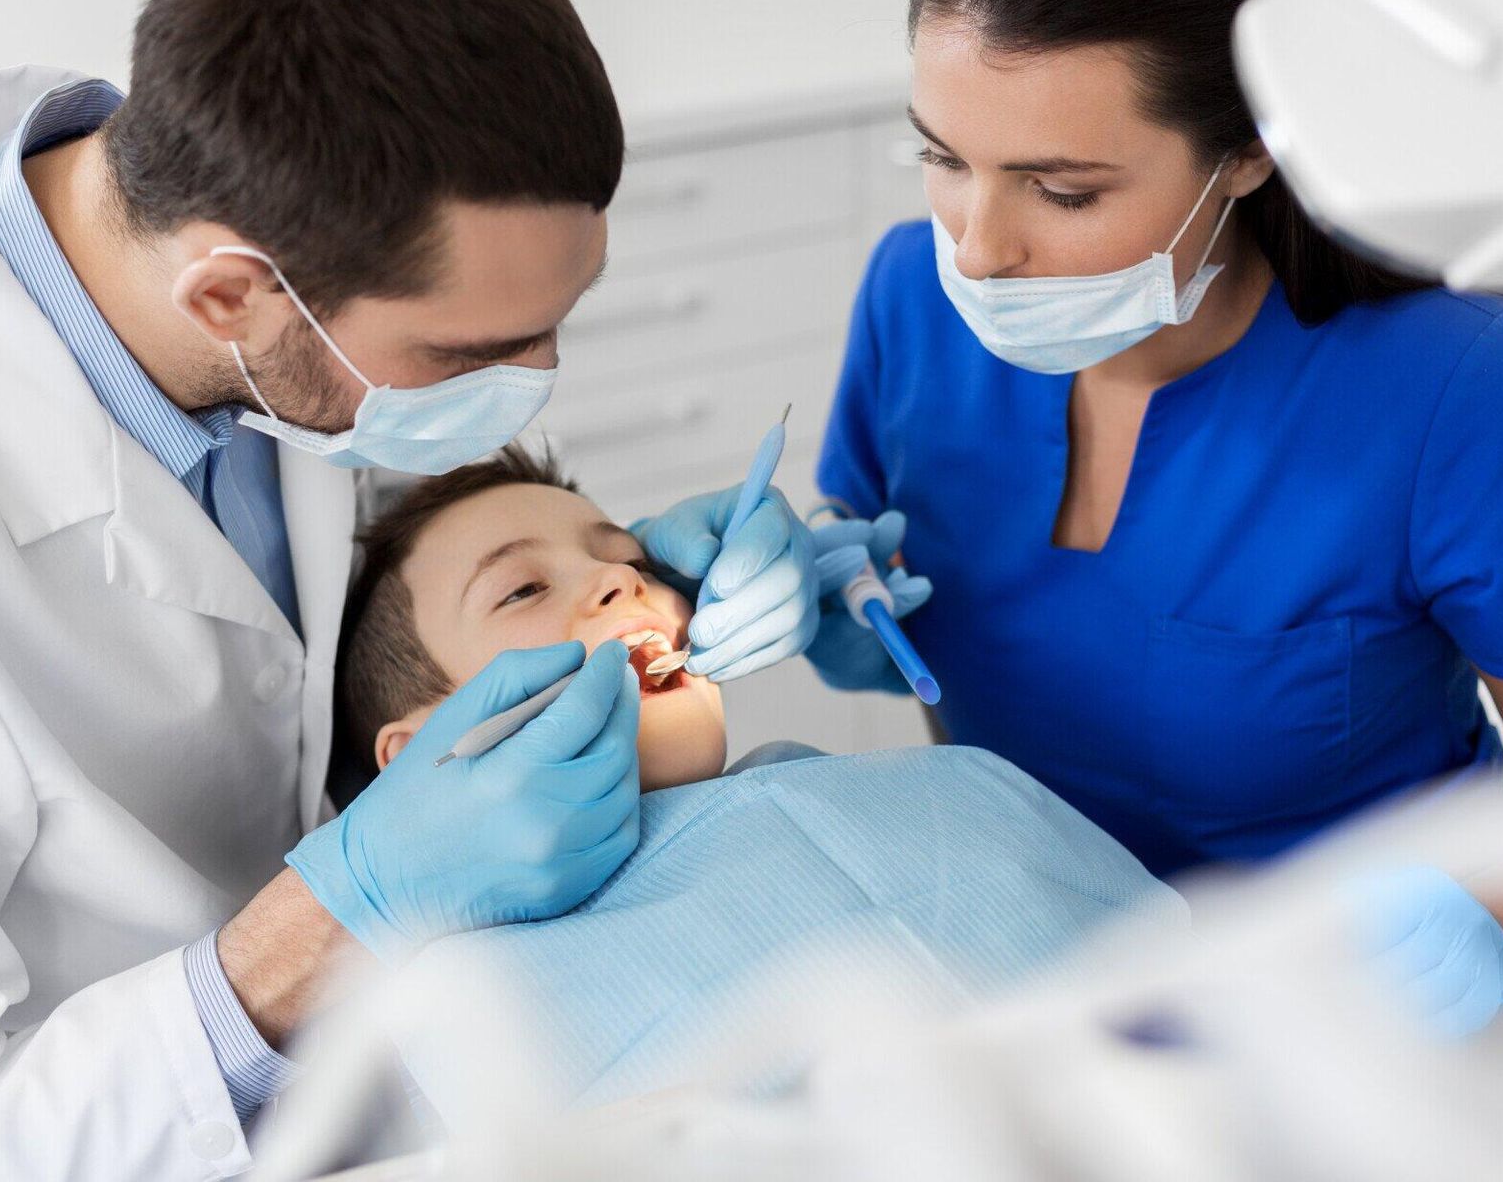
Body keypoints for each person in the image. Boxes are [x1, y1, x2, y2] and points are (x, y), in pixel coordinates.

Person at [0, 0, 822, 1177]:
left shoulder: (248, 307)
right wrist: (329, 918)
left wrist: (602, 560)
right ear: (229, 295)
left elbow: (269, 620)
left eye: (556, 320)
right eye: (467, 356)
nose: (538, 381)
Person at [805, 0, 1503, 1039]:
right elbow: (936, 612)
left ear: (1247, 148)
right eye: (940, 155)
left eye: (1064, 190)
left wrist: (1495, 919)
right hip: (1042, 1005)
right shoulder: (911, 297)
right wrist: (837, 605)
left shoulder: (1466, 391)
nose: (977, 246)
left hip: (1374, 1027)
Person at [328, 445, 1186, 1122]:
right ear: (418, 756)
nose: (621, 580)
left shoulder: (945, 784)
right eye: (521, 588)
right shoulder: (463, 1011)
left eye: (632, 560)